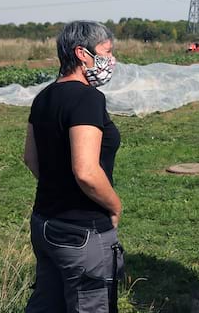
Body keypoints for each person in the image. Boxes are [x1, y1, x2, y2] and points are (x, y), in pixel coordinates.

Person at [23, 20, 124, 313]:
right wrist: (115, 207)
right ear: (82, 53)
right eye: (106, 51)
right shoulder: (87, 98)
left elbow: (31, 158)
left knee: (47, 304)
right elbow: (86, 172)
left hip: (45, 222)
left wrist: (59, 186)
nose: (111, 59)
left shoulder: (44, 97)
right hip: (82, 232)